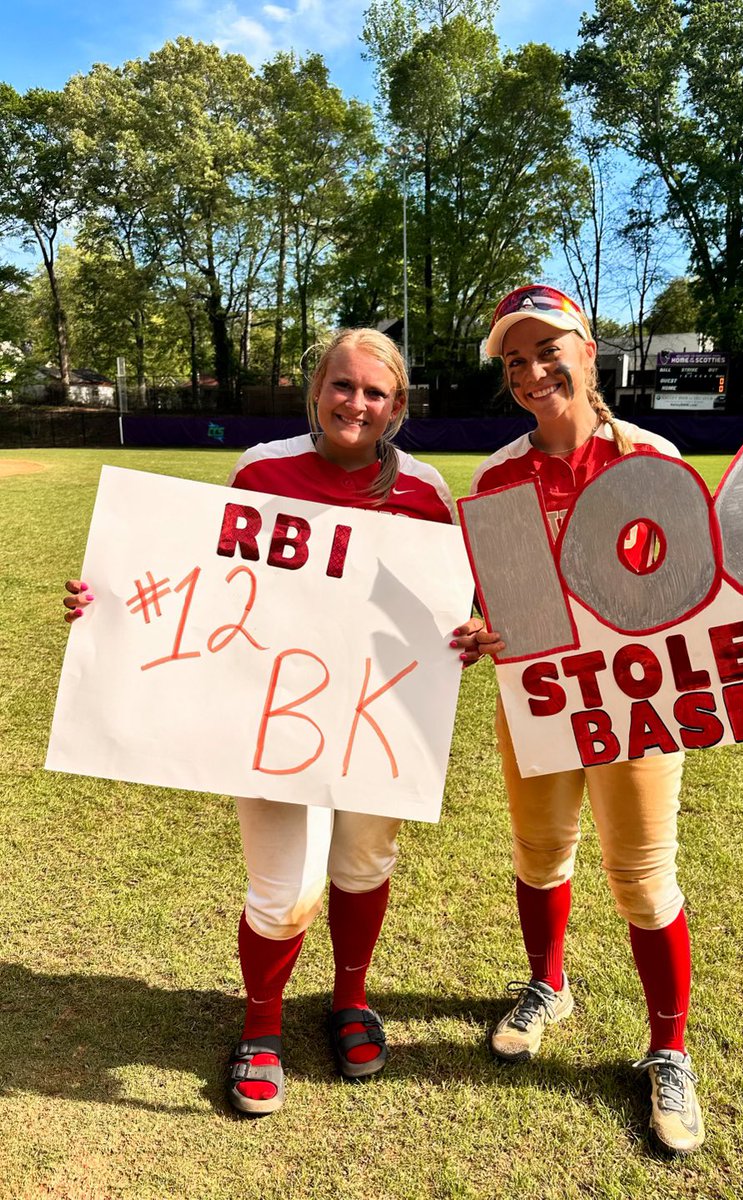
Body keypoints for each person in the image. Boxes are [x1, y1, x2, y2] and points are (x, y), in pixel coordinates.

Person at [451, 284, 743, 1156]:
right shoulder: (499, 476)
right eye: (515, 359)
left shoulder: (650, 456)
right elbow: (501, 606)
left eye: (547, 350)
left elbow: (724, 590)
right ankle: (548, 986)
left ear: (587, 350)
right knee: (538, 854)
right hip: (540, 699)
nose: (533, 371)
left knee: (642, 878)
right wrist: (480, 626)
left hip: (640, 702)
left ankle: (669, 1047)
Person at [64, 328, 458, 1117]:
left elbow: (446, 607)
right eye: (342, 385)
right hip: (269, 708)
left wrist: (467, 634)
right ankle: (262, 1024)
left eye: (374, 392)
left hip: (377, 715)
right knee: (285, 889)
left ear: (398, 406)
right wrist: (105, 603)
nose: (356, 402)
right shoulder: (263, 468)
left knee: (364, 863)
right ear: (317, 390)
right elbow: (203, 584)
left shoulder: (428, 491)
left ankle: (351, 998)